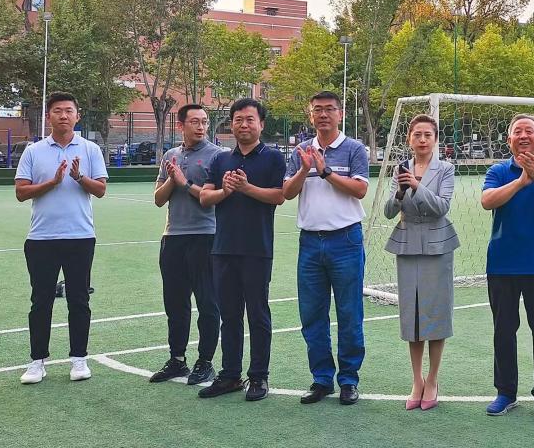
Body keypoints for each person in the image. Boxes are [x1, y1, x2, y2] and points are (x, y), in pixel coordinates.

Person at [15, 92, 108, 384]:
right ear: (49, 116)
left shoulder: (91, 149)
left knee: (79, 300)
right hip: (41, 238)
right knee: (40, 301)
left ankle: (79, 359)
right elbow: (21, 192)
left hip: (80, 237)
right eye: (57, 111)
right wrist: (52, 182)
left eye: (69, 110)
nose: (63, 115)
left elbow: (100, 190)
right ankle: (37, 361)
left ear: (77, 116)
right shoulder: (34, 151)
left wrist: (79, 177)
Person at [283, 91, 370, 406]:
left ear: (340, 113)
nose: (323, 114)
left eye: (329, 109)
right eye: (317, 109)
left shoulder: (354, 148)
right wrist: (304, 169)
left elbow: (360, 189)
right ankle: (321, 379)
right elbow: (287, 192)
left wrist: (326, 171)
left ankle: (348, 380)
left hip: (345, 241)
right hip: (310, 242)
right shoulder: (301, 151)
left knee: (349, 313)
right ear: (310, 115)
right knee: (312, 314)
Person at [197, 98, 285, 402]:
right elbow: (205, 198)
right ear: (231, 124)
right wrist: (226, 190)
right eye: (238, 120)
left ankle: (259, 376)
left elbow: (279, 196)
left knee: (258, 314)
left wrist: (246, 188)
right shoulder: (221, 160)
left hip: (257, 249)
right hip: (223, 248)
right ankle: (230, 375)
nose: (244, 125)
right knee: (229, 315)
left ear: (261, 124)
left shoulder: (273, 158)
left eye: (250, 119)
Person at [481, 114, 534, 420]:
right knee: (504, 331)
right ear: (509, 141)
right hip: (502, 265)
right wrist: (520, 182)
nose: (523, 135)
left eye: (529, 131)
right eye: (517, 131)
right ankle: (506, 392)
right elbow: (487, 201)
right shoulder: (497, 171)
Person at [383, 114, 460, 411]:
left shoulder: (446, 169)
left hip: (438, 246)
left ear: (435, 139)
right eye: (417, 134)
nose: (423, 139)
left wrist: (417, 185)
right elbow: (389, 211)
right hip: (408, 245)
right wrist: (400, 192)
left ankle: (433, 378)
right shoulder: (400, 169)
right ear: (409, 139)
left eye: (428, 134)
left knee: (436, 312)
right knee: (412, 313)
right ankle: (416, 380)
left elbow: (442, 207)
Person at [149, 104, 223, 385]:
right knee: (175, 303)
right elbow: (158, 199)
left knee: (207, 302)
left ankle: (205, 361)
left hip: (206, 236)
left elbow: (213, 198)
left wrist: (184, 181)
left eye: (204, 121)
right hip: (173, 238)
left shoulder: (218, 156)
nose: (201, 127)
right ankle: (177, 360)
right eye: (195, 122)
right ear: (181, 125)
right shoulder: (171, 156)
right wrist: (172, 178)